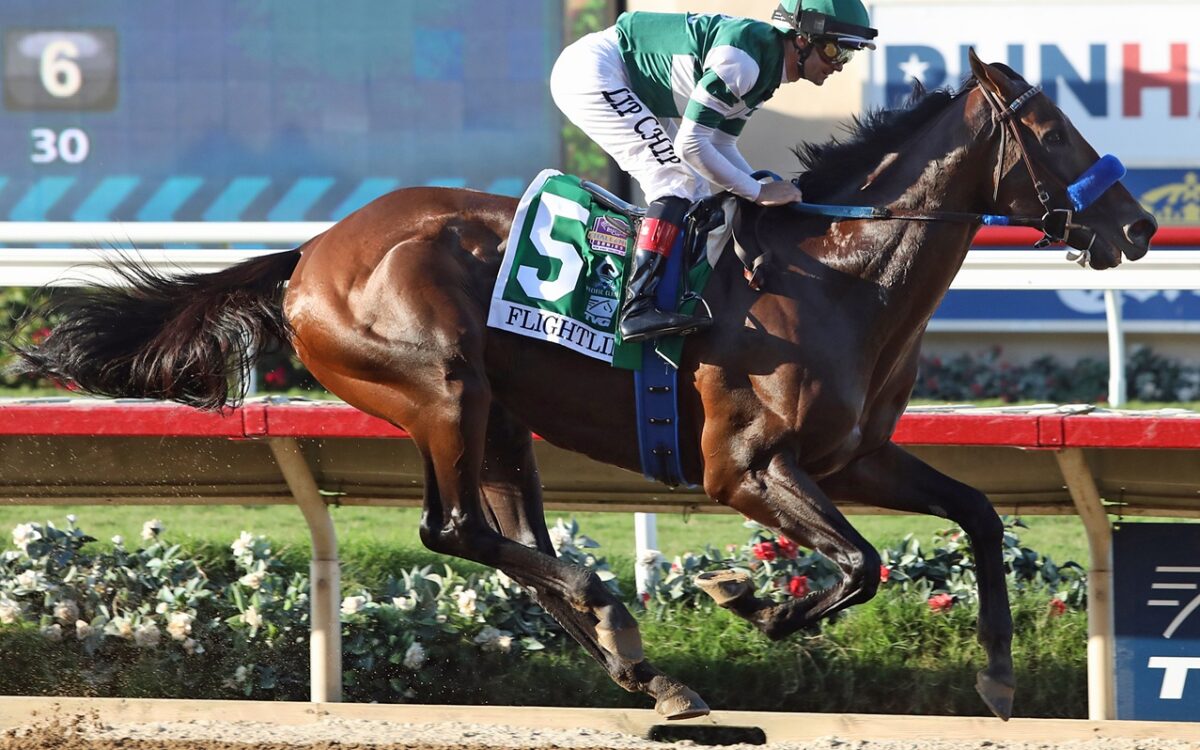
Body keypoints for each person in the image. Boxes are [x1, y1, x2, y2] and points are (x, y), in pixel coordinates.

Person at [550, 0, 877, 343]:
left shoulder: (764, 69)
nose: (839, 65)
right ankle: (637, 307)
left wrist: (755, 185)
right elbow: (690, 147)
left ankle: (675, 294)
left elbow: (719, 145)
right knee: (675, 179)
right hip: (595, 71)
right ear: (800, 39)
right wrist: (757, 192)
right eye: (833, 51)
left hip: (625, 77)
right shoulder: (745, 64)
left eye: (847, 55)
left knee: (698, 191)